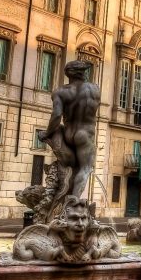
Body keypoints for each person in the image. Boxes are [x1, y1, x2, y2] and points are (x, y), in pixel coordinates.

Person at [40, 60, 101, 199]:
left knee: (71, 168)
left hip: (68, 133)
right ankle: (73, 202)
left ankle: (61, 196)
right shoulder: (94, 89)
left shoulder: (60, 91)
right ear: (81, 73)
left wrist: (47, 133)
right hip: (85, 134)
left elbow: (56, 116)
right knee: (85, 169)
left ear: (68, 74)